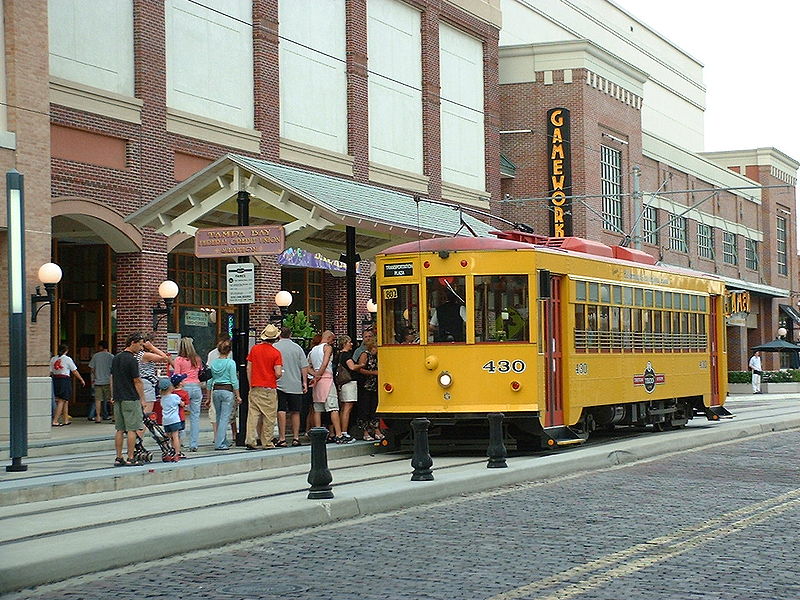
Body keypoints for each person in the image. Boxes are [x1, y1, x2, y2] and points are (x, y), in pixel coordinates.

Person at [111, 332, 147, 466]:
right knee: (132, 429)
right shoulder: (131, 359)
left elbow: (112, 377)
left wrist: (113, 394)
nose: (141, 348)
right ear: (133, 343)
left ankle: (118, 457)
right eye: (140, 345)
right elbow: (137, 381)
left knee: (120, 429)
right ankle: (131, 457)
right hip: (130, 397)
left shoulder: (116, 358)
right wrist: (142, 399)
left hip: (118, 397)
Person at [245, 324, 283, 450]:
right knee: (269, 416)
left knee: (253, 415)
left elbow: (248, 368)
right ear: (275, 338)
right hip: (269, 388)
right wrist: (276, 376)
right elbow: (278, 373)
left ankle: (250, 439)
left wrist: (251, 384)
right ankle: (267, 442)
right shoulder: (276, 353)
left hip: (255, 386)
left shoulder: (254, 349)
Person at [308, 330, 350, 443]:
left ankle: (318, 434)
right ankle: (339, 434)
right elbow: (325, 362)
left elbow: (307, 366)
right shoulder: (327, 348)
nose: (332, 342)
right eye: (332, 339)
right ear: (329, 338)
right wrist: (319, 374)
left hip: (317, 383)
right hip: (326, 379)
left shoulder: (313, 350)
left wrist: (314, 375)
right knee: (333, 408)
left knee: (317, 409)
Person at [274, 327, 308, 447]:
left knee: (281, 410)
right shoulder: (297, 348)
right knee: (295, 411)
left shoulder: (275, 347)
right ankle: (296, 437)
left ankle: (282, 438)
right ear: (291, 335)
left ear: (279, 335)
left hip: (279, 383)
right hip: (295, 384)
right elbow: (304, 366)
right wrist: (304, 382)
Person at [207, 339, 240, 450]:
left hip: (216, 390)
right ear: (229, 350)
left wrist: (208, 396)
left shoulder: (214, 363)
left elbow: (209, 381)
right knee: (225, 418)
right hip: (227, 390)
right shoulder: (231, 363)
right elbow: (234, 380)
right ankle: (219, 443)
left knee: (218, 416)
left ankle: (223, 439)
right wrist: (238, 395)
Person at [173, 337, 204, 452]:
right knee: (195, 416)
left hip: (184, 387)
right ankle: (194, 444)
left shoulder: (178, 360)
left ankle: (180, 441)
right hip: (196, 387)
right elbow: (199, 371)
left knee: (180, 414)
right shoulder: (197, 359)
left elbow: (176, 375)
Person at [50, 344, 86, 427]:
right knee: (62, 400)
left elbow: (51, 371)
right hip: (64, 379)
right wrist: (81, 379)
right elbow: (74, 371)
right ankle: (55, 420)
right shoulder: (67, 359)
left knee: (64, 400)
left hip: (56, 379)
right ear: (66, 351)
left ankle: (66, 419)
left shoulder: (53, 359)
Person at [357, 334, 383, 440]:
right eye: (375, 348)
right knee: (365, 408)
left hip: (375, 385)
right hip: (366, 385)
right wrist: (373, 373)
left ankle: (376, 429)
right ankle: (365, 432)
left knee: (374, 408)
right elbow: (360, 369)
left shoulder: (377, 356)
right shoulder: (365, 354)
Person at [335, 334, 359, 441]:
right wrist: (361, 365)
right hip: (349, 383)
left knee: (343, 407)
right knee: (348, 407)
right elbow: (352, 367)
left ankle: (340, 431)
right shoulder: (347, 355)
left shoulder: (338, 355)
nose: (351, 344)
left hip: (341, 383)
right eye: (349, 342)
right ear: (345, 343)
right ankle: (344, 432)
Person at [158, 377, 187, 462]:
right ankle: (177, 453)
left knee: (169, 437)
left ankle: (169, 451)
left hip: (166, 421)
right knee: (176, 437)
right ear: (171, 387)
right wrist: (184, 403)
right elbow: (182, 404)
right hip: (174, 419)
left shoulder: (162, 399)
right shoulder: (175, 396)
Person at [88, 340, 114, 422]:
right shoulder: (111, 356)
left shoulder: (95, 356)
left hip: (98, 381)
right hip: (108, 381)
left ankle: (98, 417)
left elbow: (92, 368)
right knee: (111, 399)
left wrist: (95, 376)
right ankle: (114, 416)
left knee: (98, 400)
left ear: (101, 347)